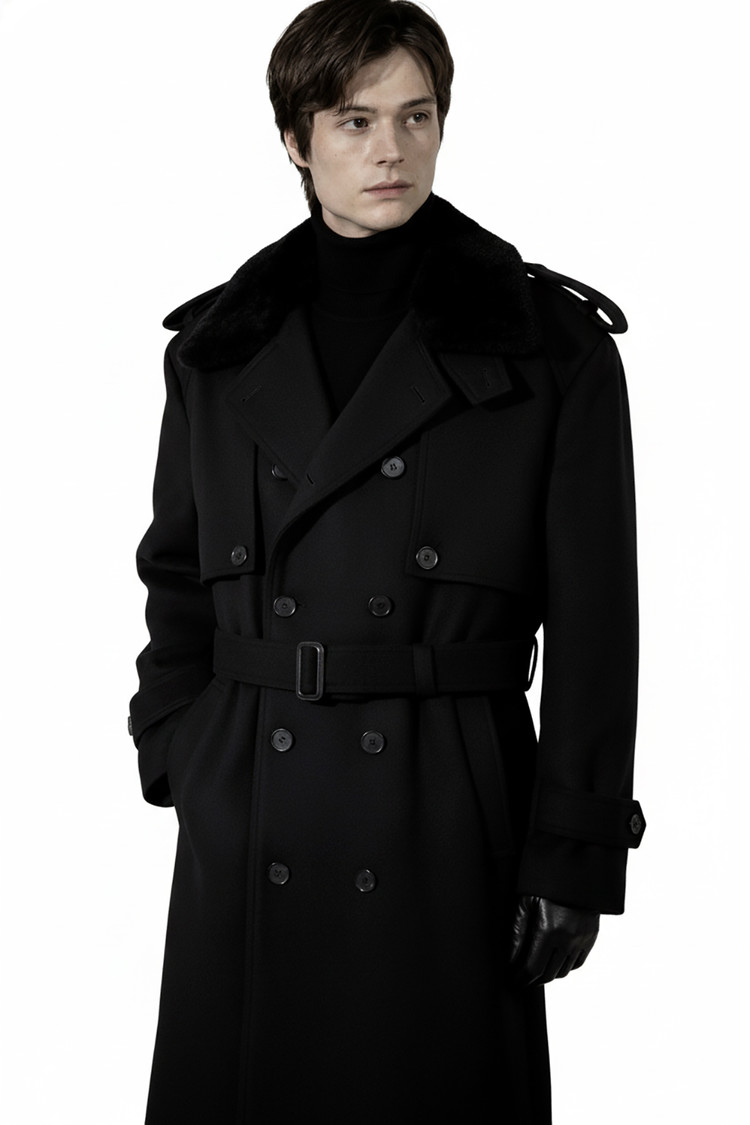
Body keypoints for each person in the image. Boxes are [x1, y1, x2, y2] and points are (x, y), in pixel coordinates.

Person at [128, 1, 646, 1121]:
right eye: (355, 121)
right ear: (295, 139)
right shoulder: (215, 351)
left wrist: (573, 850)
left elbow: (599, 626)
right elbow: (176, 575)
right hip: (253, 805)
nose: (391, 150)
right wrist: (178, 747)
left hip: (444, 810)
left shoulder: (548, 347)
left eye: (417, 116)